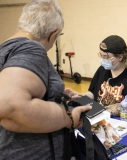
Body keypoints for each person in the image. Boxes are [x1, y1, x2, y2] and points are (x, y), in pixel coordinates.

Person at [0, 0, 91, 159]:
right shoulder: (31, 49)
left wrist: (56, 95)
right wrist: (67, 117)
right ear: (53, 34)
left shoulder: (6, 50)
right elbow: (11, 107)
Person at [65, 35, 127, 107]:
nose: (102, 60)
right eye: (101, 55)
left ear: (120, 57)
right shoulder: (102, 70)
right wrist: (80, 96)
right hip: (100, 116)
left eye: (105, 57)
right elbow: (93, 94)